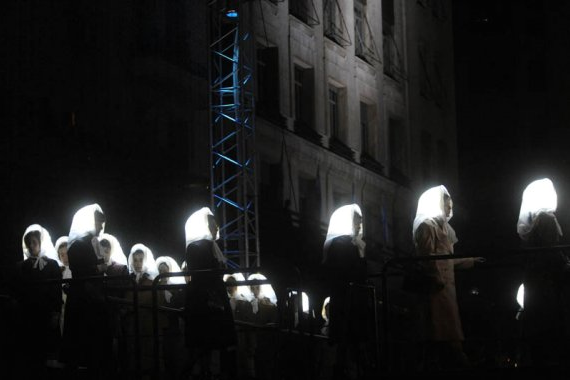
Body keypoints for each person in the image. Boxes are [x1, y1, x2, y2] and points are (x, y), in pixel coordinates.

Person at [412, 185, 484, 370]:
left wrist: (471, 261)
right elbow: (427, 256)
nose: (451, 210)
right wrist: (436, 278)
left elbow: (448, 259)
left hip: (446, 289)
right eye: (447, 206)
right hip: (435, 289)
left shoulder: (444, 228)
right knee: (440, 332)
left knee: (445, 332)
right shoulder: (426, 227)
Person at [516, 178, 570, 367]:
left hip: (534, 277)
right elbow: (550, 249)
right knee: (551, 320)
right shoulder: (546, 218)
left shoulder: (533, 220)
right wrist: (564, 263)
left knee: (537, 321)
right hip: (547, 279)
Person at [183, 207, 237, 379]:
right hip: (206, 301)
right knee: (207, 342)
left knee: (211, 344)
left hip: (211, 298)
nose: (216, 228)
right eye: (212, 225)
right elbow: (206, 276)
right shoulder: (198, 246)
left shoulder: (209, 246)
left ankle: (210, 371)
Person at [60, 203, 112, 376]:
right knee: (83, 341)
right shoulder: (79, 244)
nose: (101, 227)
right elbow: (81, 269)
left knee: (92, 345)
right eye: (98, 222)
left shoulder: (91, 242)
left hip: (92, 297)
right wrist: (99, 269)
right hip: (84, 299)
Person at [321, 204, 369, 380]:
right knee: (347, 341)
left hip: (351, 299)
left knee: (350, 342)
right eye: (357, 222)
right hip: (346, 300)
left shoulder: (352, 244)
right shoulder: (341, 244)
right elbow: (355, 272)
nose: (359, 226)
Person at [18, 224, 63, 376]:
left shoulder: (52, 265)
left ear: (41, 243)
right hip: (29, 316)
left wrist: (56, 313)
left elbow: (56, 290)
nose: (31, 246)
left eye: (34, 242)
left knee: (49, 352)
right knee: (32, 354)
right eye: (29, 243)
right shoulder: (22, 267)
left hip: (47, 314)